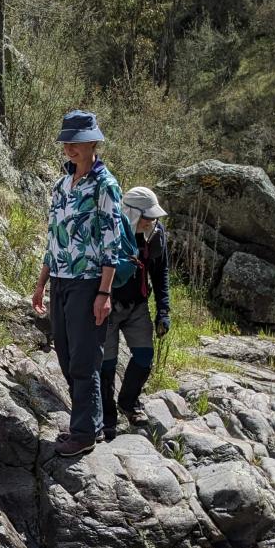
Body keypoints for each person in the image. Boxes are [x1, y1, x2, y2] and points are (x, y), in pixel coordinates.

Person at [31, 110, 126, 457]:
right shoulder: (61, 185)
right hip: (60, 280)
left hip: (89, 283)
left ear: (93, 143)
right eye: (66, 141)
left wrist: (104, 292)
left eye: (76, 141)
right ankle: (93, 423)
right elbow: (53, 240)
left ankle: (83, 432)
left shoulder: (106, 186)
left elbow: (112, 243)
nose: (69, 146)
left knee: (84, 360)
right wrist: (41, 284)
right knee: (66, 355)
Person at [101, 186, 171, 440]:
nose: (151, 222)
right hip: (108, 306)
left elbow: (160, 272)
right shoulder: (110, 232)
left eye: (153, 218)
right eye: (146, 217)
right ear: (130, 212)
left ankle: (128, 403)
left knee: (144, 355)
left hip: (137, 305)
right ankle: (106, 417)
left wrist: (163, 310)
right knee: (106, 363)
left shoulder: (156, 235)